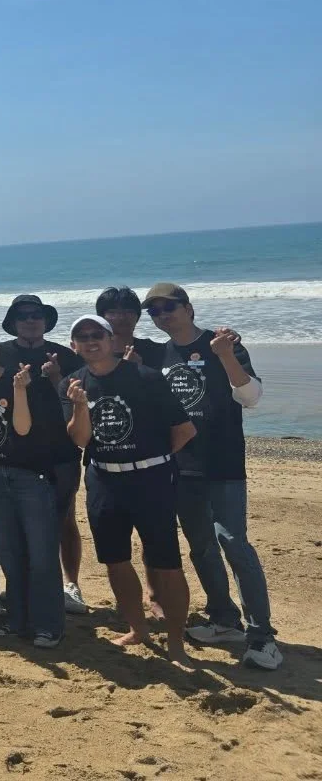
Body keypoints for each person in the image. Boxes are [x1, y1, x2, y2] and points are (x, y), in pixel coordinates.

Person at [145, 283, 279, 670]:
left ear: (188, 308)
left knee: (234, 543)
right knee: (201, 546)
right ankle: (224, 620)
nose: (163, 314)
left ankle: (262, 636)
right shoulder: (158, 355)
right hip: (180, 466)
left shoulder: (224, 344)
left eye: (169, 306)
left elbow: (251, 398)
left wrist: (225, 357)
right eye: (154, 311)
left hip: (223, 463)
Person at [64, 314, 195, 663]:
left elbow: (184, 429)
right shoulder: (73, 383)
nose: (90, 341)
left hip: (151, 481)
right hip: (104, 480)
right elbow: (80, 439)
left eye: (97, 334)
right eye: (82, 336)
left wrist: (154, 459)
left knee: (167, 563)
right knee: (115, 561)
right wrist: (79, 405)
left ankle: (176, 643)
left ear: (111, 340)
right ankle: (138, 629)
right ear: (73, 346)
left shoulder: (145, 377)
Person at [0, 322, 66, 648]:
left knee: (41, 554)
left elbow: (22, 429)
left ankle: (48, 625)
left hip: (30, 476)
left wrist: (19, 392)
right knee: (9, 553)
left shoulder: (21, 381)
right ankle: (17, 620)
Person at [0, 293, 87, 616]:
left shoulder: (67, 357)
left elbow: (80, 405)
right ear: (13, 323)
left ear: (46, 321)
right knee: (18, 526)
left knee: (64, 519)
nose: (30, 320)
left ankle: (71, 584)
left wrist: (57, 377)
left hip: (60, 452)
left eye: (36, 315)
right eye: (23, 316)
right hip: (15, 454)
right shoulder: (0, 354)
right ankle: (23, 585)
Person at [97, 287, 163, 367]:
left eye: (128, 312)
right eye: (112, 312)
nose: (121, 317)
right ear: (101, 317)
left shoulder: (155, 350)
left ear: (137, 316)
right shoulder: (92, 352)